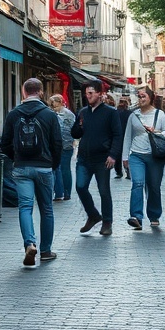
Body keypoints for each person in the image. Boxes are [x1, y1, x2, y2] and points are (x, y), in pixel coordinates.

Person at [1, 77, 63, 265]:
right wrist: (53, 164)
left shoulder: (14, 114)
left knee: (25, 207)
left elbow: (5, 143)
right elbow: (57, 143)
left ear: (24, 92)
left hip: (22, 168)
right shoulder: (49, 115)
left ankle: (29, 243)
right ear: (41, 92)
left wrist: (16, 158)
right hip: (44, 167)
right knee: (46, 209)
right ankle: (46, 251)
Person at [71, 81, 122, 236]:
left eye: (91, 93)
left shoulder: (111, 112)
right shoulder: (83, 112)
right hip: (84, 158)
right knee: (80, 187)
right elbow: (75, 134)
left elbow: (117, 135)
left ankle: (107, 222)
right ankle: (93, 215)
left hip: (102, 159)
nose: (88, 96)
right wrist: (78, 125)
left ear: (100, 94)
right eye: (87, 93)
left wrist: (113, 155)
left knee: (104, 191)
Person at [122, 87, 165, 230]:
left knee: (154, 186)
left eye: (143, 96)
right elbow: (127, 136)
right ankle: (136, 216)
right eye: (139, 96)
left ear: (151, 97)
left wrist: (155, 131)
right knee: (137, 183)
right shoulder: (134, 115)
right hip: (136, 155)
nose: (141, 99)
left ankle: (154, 214)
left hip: (155, 156)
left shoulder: (160, 114)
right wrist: (125, 157)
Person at [48, 94, 74, 201]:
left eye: (53, 105)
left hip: (65, 146)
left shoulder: (67, 114)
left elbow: (67, 131)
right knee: (57, 169)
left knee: (64, 169)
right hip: (56, 146)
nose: (51, 107)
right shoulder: (54, 113)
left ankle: (67, 192)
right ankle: (58, 192)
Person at [114, 97, 133, 179]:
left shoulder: (115, 112)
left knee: (118, 154)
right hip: (126, 135)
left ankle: (119, 172)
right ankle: (127, 171)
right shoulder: (130, 113)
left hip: (118, 136)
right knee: (126, 154)